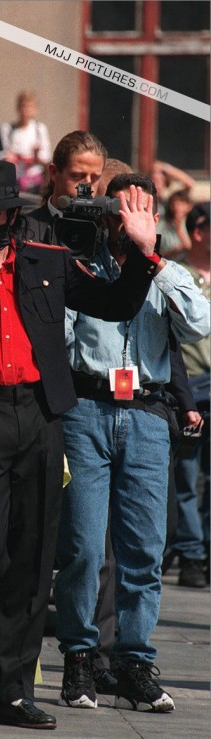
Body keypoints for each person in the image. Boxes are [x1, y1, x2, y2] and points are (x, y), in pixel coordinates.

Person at [0, 158, 163, 730]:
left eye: (0, 211)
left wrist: (143, 254)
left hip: (42, 419)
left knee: (30, 563)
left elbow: (117, 305)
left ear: (15, 214)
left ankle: (14, 693)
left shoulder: (49, 263)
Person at [54, 173, 209, 714]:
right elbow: (62, 338)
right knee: (83, 546)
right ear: (105, 215)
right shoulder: (80, 269)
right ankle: (79, 657)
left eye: (140, 212)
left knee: (144, 549)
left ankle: (135, 661)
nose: (128, 222)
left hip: (145, 413)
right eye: (120, 212)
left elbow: (200, 324)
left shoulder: (171, 273)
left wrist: (154, 258)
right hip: (87, 409)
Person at [169, 202, 210, 587]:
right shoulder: (177, 272)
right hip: (191, 386)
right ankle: (192, 555)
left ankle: (206, 551)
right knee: (186, 474)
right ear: (199, 232)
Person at [26, 130, 107, 243]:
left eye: (95, 178)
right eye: (77, 176)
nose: (87, 186)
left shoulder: (104, 236)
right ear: (53, 173)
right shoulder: (25, 230)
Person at [0, 90, 51, 194]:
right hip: (14, 179)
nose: (26, 110)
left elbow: (46, 157)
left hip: (34, 180)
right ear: (18, 108)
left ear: (35, 109)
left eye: (30, 107)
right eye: (23, 106)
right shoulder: (8, 129)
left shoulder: (40, 129)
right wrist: (9, 157)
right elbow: (1, 153)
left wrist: (35, 156)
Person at [158, 189, 193, 260]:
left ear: (189, 206)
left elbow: (188, 245)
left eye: (182, 203)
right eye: (174, 203)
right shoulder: (163, 225)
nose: (177, 207)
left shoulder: (192, 223)